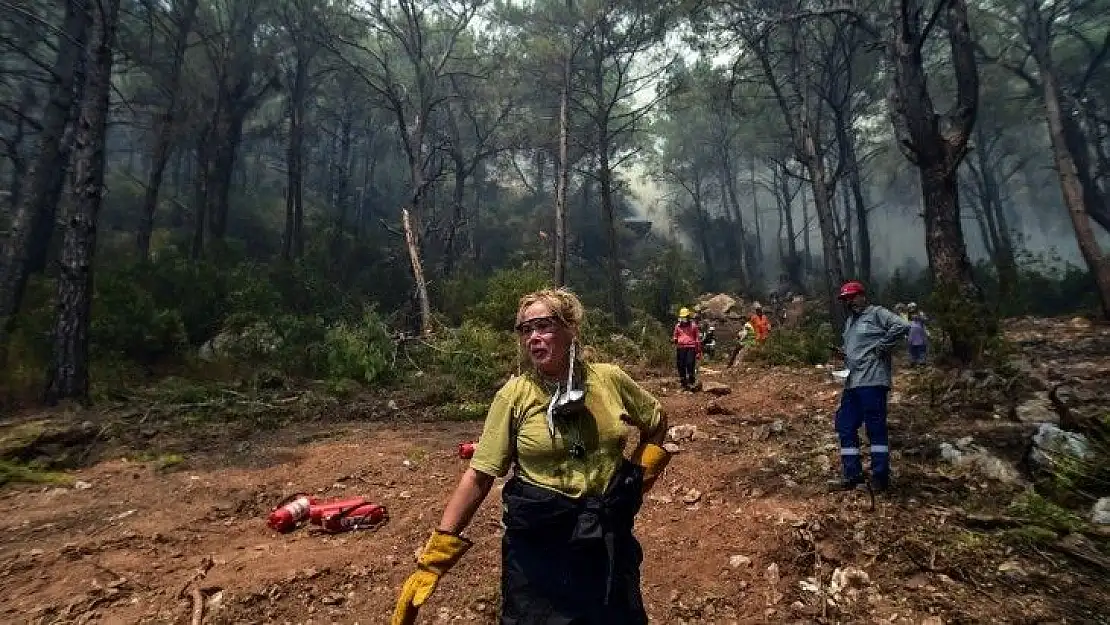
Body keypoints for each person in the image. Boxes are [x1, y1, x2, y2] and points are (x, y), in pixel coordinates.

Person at [391, 288, 671, 625]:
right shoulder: (515, 395)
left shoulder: (609, 380)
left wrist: (637, 478)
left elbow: (656, 421)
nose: (533, 338)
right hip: (540, 549)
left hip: (606, 538)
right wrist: (435, 557)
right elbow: (479, 476)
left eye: (544, 326)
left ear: (571, 329)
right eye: (525, 329)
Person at [832, 280, 910, 492]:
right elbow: (855, 349)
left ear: (862, 296)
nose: (850, 302)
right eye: (846, 299)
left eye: (852, 297)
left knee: (875, 429)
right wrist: (843, 354)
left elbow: (902, 326)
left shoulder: (877, 314)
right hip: (852, 382)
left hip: (873, 381)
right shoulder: (850, 322)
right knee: (845, 425)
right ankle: (852, 473)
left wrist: (882, 347)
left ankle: (880, 477)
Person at [672, 307, 701, 390]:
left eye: (685, 317)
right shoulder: (678, 326)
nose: (684, 319)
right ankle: (683, 382)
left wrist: (698, 351)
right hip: (681, 348)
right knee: (681, 365)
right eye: (682, 317)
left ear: (688, 317)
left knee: (690, 363)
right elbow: (675, 336)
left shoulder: (693, 326)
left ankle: (691, 380)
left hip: (691, 347)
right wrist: (675, 340)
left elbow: (697, 339)